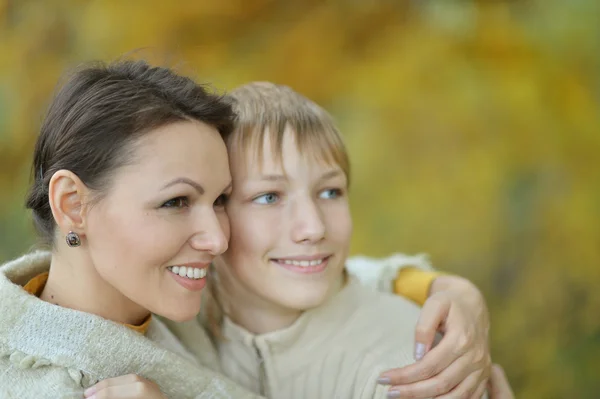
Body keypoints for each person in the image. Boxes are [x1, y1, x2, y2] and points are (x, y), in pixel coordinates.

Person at [170, 81, 490, 398]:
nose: (313, 228)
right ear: (215, 211)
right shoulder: (182, 322)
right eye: (269, 197)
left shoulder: (410, 372)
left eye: (329, 192)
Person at [0, 59, 261, 398]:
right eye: (176, 201)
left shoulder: (217, 313)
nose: (218, 240)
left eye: (220, 200)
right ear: (72, 205)